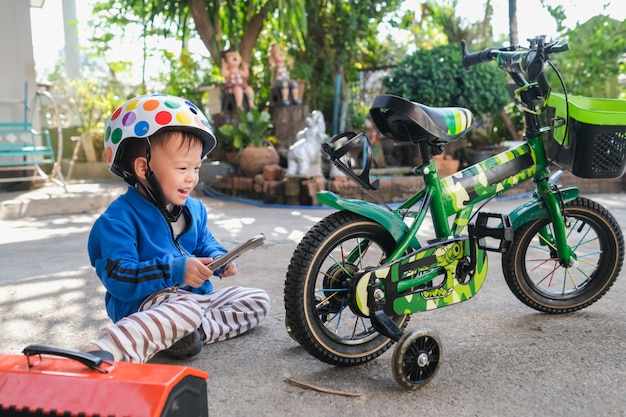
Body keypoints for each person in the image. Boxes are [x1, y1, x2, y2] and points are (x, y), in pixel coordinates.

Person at [84, 94, 270, 363]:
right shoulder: (117, 219)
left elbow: (206, 244)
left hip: (193, 302)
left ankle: (187, 335)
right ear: (142, 168)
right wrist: (177, 270)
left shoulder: (194, 210)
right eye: (183, 167)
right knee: (187, 310)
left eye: (197, 167)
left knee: (257, 300)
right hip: (144, 306)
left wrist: (220, 260)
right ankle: (110, 347)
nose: (192, 177)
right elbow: (119, 278)